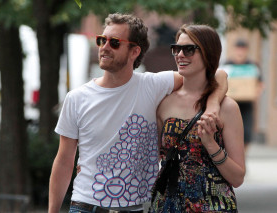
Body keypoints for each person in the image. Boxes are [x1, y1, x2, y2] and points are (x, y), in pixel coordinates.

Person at [48, 13, 228, 213]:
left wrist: (212, 106)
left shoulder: (153, 85)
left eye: (114, 42)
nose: (104, 47)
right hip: (85, 207)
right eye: (102, 40)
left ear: (134, 51)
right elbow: (64, 161)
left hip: (134, 209)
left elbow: (216, 75)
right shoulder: (76, 98)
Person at [151, 24, 245, 212]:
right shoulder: (164, 103)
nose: (180, 55)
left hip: (213, 206)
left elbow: (237, 178)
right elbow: (153, 159)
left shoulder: (227, 108)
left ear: (208, 53)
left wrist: (211, 145)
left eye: (189, 49)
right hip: (168, 205)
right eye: (176, 49)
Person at [224, 39, 263, 152]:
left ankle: (242, 158)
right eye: (238, 49)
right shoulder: (227, 65)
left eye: (243, 50)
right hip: (230, 105)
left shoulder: (253, 66)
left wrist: (256, 93)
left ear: (246, 51)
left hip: (247, 105)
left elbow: (260, 84)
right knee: (230, 132)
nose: (240, 52)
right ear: (234, 50)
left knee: (246, 134)